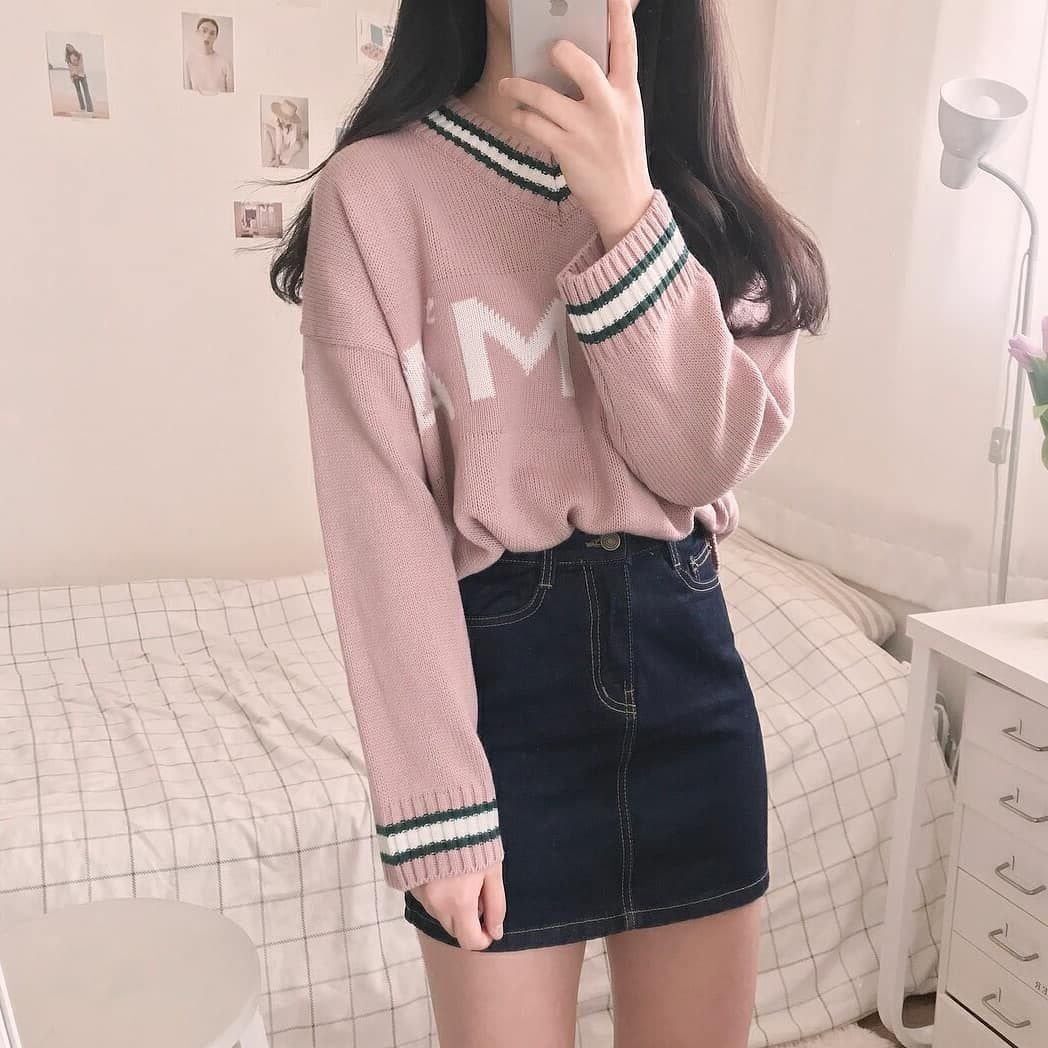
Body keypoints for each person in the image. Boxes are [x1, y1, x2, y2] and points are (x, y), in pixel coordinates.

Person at [270, 1, 828, 1044]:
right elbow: (381, 528)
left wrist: (627, 212)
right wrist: (435, 803)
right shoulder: (377, 192)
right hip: (498, 707)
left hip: (688, 684)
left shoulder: (703, 206)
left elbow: (698, 463)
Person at [184, 16, 233, 94]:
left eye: (212, 33)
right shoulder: (189, 61)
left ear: (216, 37)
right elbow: (187, 94)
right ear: (197, 32)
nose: (207, 36)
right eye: (204, 31)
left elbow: (232, 95)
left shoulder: (225, 62)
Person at [262, 99, 305, 168]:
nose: (281, 119)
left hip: (287, 148)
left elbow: (292, 144)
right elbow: (279, 138)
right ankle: (272, 156)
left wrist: (283, 156)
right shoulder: (278, 121)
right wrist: (277, 154)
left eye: (284, 118)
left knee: (298, 144)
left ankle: (277, 161)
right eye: (280, 116)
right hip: (281, 144)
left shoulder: (294, 127)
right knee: (266, 127)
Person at [65, 44, 93, 114]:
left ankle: (90, 109)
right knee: (79, 92)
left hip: (82, 75)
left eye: (70, 47)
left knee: (86, 91)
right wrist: (72, 76)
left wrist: (77, 72)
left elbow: (80, 65)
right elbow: (70, 68)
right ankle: (82, 107)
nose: (70, 49)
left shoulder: (79, 55)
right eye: (68, 48)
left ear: (72, 47)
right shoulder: (68, 58)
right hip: (74, 76)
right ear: (67, 50)